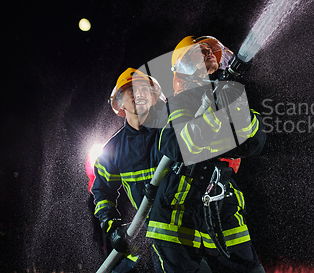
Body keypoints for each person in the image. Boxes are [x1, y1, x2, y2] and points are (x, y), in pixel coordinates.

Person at [146, 36, 267, 273]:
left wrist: (239, 108)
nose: (209, 53)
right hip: (178, 209)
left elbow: (253, 143)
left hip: (222, 204)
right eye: (200, 51)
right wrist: (212, 112)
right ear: (183, 67)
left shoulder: (229, 94)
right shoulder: (178, 103)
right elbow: (178, 146)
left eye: (210, 50)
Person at [92, 68, 166, 272]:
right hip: (144, 232)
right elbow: (102, 192)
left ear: (153, 98)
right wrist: (112, 228)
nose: (139, 93)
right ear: (120, 103)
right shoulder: (113, 149)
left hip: (181, 229)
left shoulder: (171, 134)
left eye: (144, 89)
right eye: (131, 90)